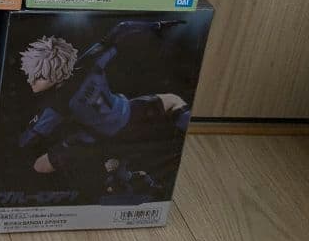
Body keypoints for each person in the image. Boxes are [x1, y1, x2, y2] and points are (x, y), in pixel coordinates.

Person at [17, 20, 191, 177]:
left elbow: (28, 139)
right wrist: (155, 26)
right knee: (173, 101)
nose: (31, 80)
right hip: (129, 114)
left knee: (39, 165)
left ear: (54, 72)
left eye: (37, 75)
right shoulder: (88, 63)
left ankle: (100, 169)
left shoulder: (55, 105)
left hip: (96, 138)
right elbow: (122, 29)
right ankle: (183, 145)